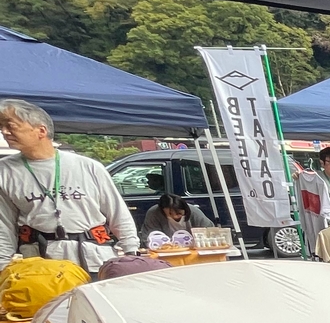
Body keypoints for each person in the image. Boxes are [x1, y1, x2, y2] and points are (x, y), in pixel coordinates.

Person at [0, 98, 137, 273]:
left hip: (93, 258)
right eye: (2, 127)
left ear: (41, 130)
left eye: (10, 125)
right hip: (40, 265)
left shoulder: (88, 166)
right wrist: (3, 267)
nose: (4, 131)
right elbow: (4, 225)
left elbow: (118, 213)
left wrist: (130, 250)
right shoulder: (5, 171)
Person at [141, 193, 211, 242]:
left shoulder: (194, 212)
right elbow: (149, 236)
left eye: (179, 213)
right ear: (162, 210)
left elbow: (208, 230)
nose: (175, 216)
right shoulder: (154, 213)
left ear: (185, 209)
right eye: (170, 213)